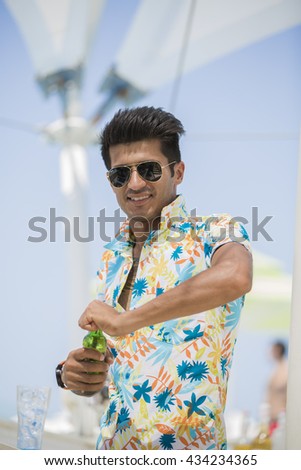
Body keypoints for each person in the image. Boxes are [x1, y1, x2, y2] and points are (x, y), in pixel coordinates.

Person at [56, 106, 253, 450]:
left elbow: (235, 276)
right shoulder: (112, 255)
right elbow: (116, 368)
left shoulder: (214, 230)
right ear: (110, 181)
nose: (134, 184)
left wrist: (125, 321)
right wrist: (75, 375)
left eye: (148, 169)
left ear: (177, 172)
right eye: (120, 174)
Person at [266, 340, 288, 433]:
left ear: (278, 350)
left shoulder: (285, 368)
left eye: (273, 349)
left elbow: (280, 386)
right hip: (273, 415)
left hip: (280, 415)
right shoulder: (277, 367)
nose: (270, 352)